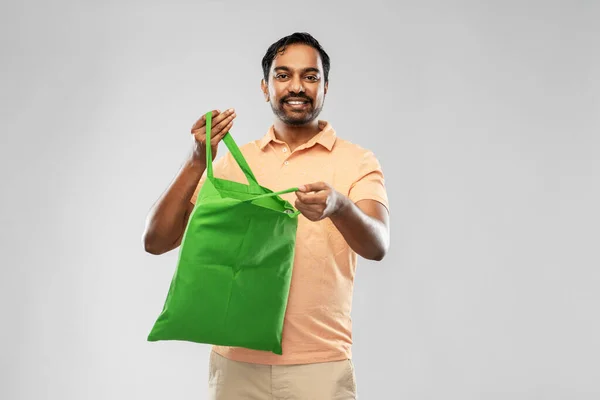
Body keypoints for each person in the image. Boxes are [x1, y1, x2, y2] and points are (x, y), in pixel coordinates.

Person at [143, 32, 390, 399]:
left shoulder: (357, 161)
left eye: (310, 76)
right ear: (265, 87)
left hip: (320, 366)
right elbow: (157, 241)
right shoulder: (232, 163)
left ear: (325, 87)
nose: (297, 87)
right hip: (236, 367)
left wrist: (339, 206)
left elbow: (378, 244)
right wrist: (197, 159)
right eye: (283, 75)